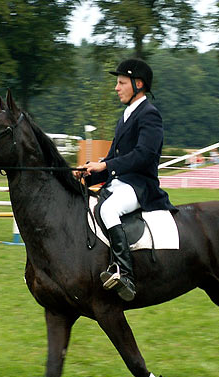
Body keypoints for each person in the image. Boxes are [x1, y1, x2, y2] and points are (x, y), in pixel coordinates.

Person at [79, 58, 177, 301]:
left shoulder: (149, 114)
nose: (116, 87)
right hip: (119, 183)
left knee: (107, 210)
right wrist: (88, 174)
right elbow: (113, 160)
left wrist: (106, 164)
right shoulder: (126, 115)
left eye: (121, 82)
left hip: (140, 186)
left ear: (138, 84)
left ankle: (125, 273)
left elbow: (144, 156)